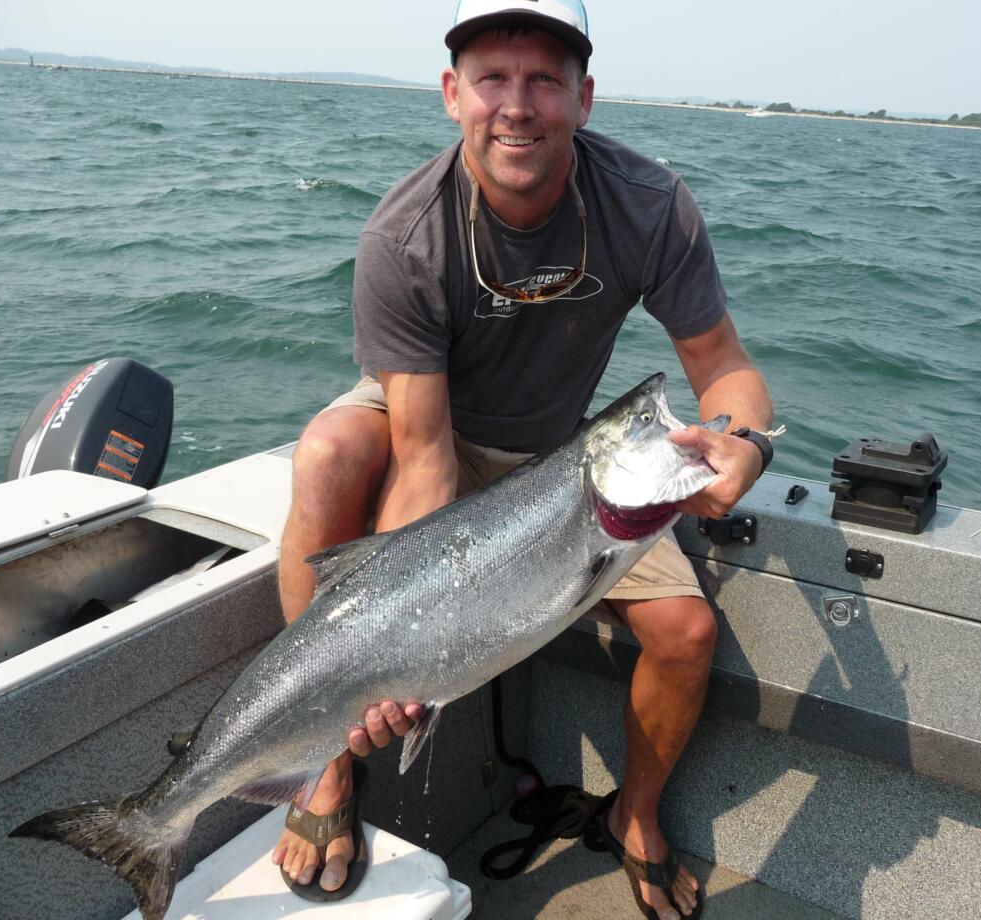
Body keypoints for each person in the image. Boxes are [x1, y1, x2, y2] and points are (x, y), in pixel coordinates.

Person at [271, 2, 775, 918]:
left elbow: (723, 364)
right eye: (492, 79)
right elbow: (423, 457)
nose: (517, 105)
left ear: (584, 98)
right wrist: (396, 651)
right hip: (436, 427)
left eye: (544, 79)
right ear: (451, 93)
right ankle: (331, 764)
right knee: (330, 449)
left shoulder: (648, 203)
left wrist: (742, 443)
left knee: (687, 635)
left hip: (563, 455)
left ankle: (635, 814)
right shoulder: (404, 235)